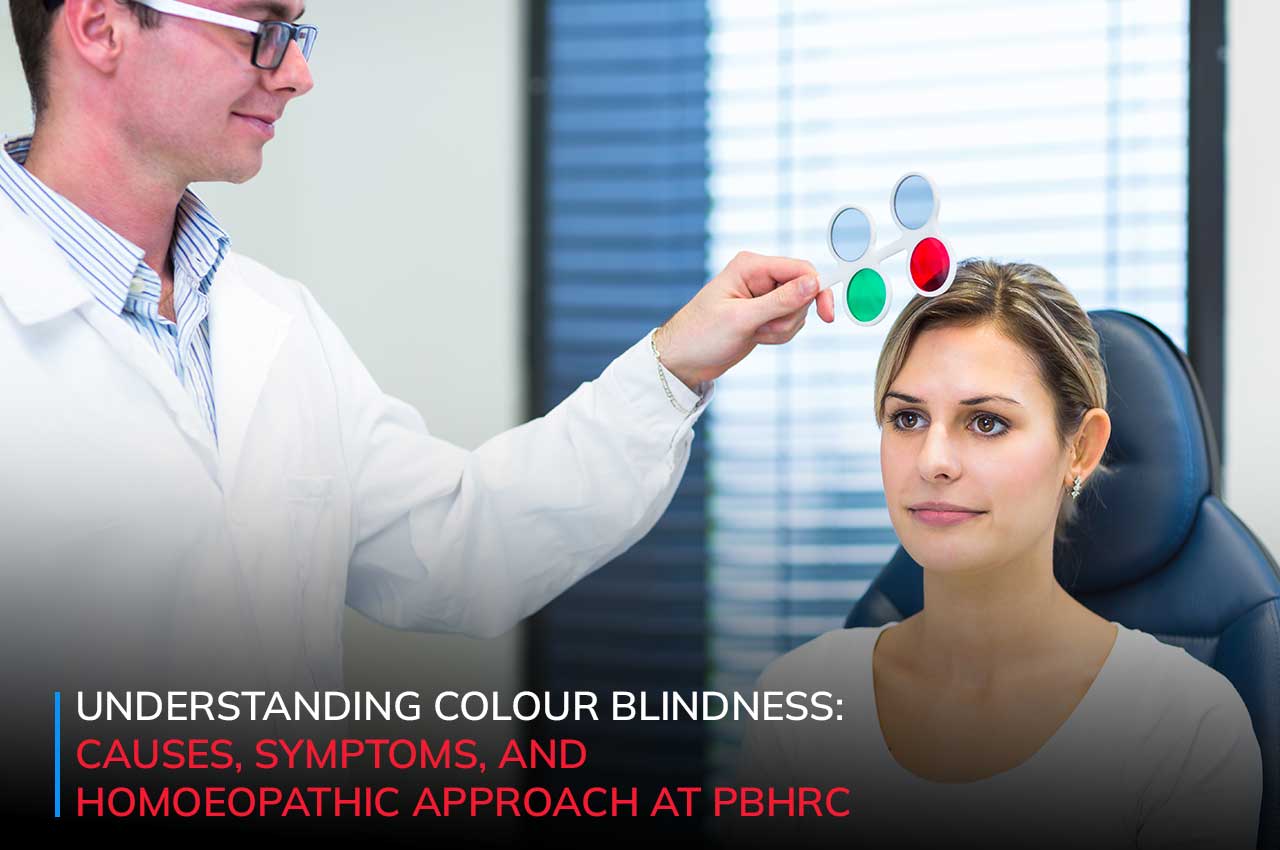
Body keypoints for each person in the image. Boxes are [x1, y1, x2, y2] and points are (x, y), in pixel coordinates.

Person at [0, 0, 838, 812]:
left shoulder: (274, 322)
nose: (297, 74)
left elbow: (460, 542)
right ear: (100, 26)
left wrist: (675, 364)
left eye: (294, 35)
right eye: (260, 29)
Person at [731, 260, 1263, 849]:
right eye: (907, 418)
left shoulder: (1186, 724)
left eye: (986, 422)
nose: (933, 460)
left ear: (1080, 450)